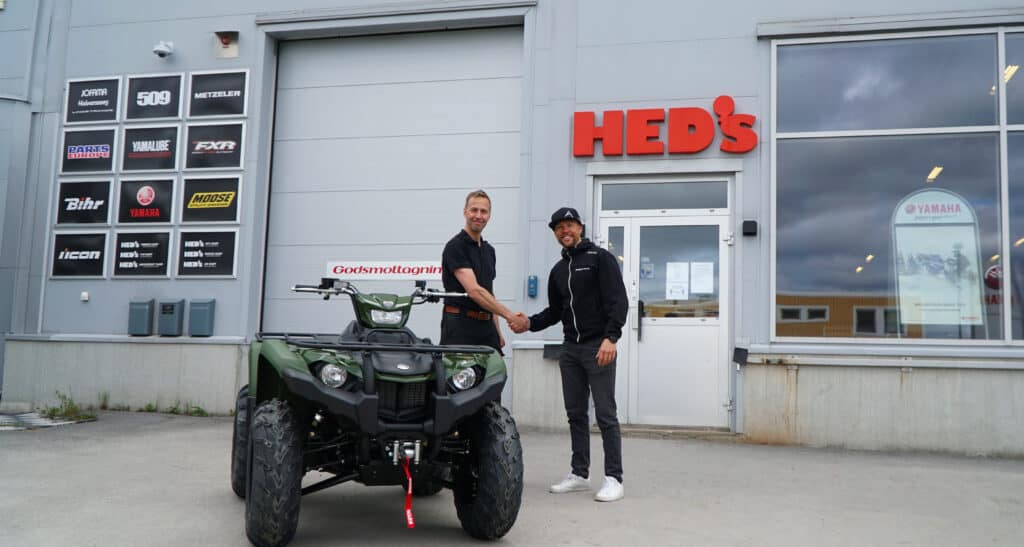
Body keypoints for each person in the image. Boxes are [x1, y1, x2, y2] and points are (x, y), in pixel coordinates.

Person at [511, 206, 628, 502]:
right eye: (559, 227)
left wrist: (611, 337)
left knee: (606, 414)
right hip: (571, 350)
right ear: (555, 233)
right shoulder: (558, 270)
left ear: (580, 228)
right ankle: (579, 474)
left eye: (570, 225)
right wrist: (529, 324)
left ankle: (614, 478)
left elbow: (618, 301)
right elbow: (555, 311)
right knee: (575, 414)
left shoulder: (601, 258)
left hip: (598, 346)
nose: (565, 231)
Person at [440, 189, 528, 358]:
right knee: (462, 375)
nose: (478, 216)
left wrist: (497, 330)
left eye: (483, 211)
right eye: (474, 210)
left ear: (489, 216)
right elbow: (474, 291)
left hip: (486, 328)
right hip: (460, 327)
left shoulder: (489, 251)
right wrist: (510, 316)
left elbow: (488, 293)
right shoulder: (455, 246)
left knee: (494, 372)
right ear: (465, 212)